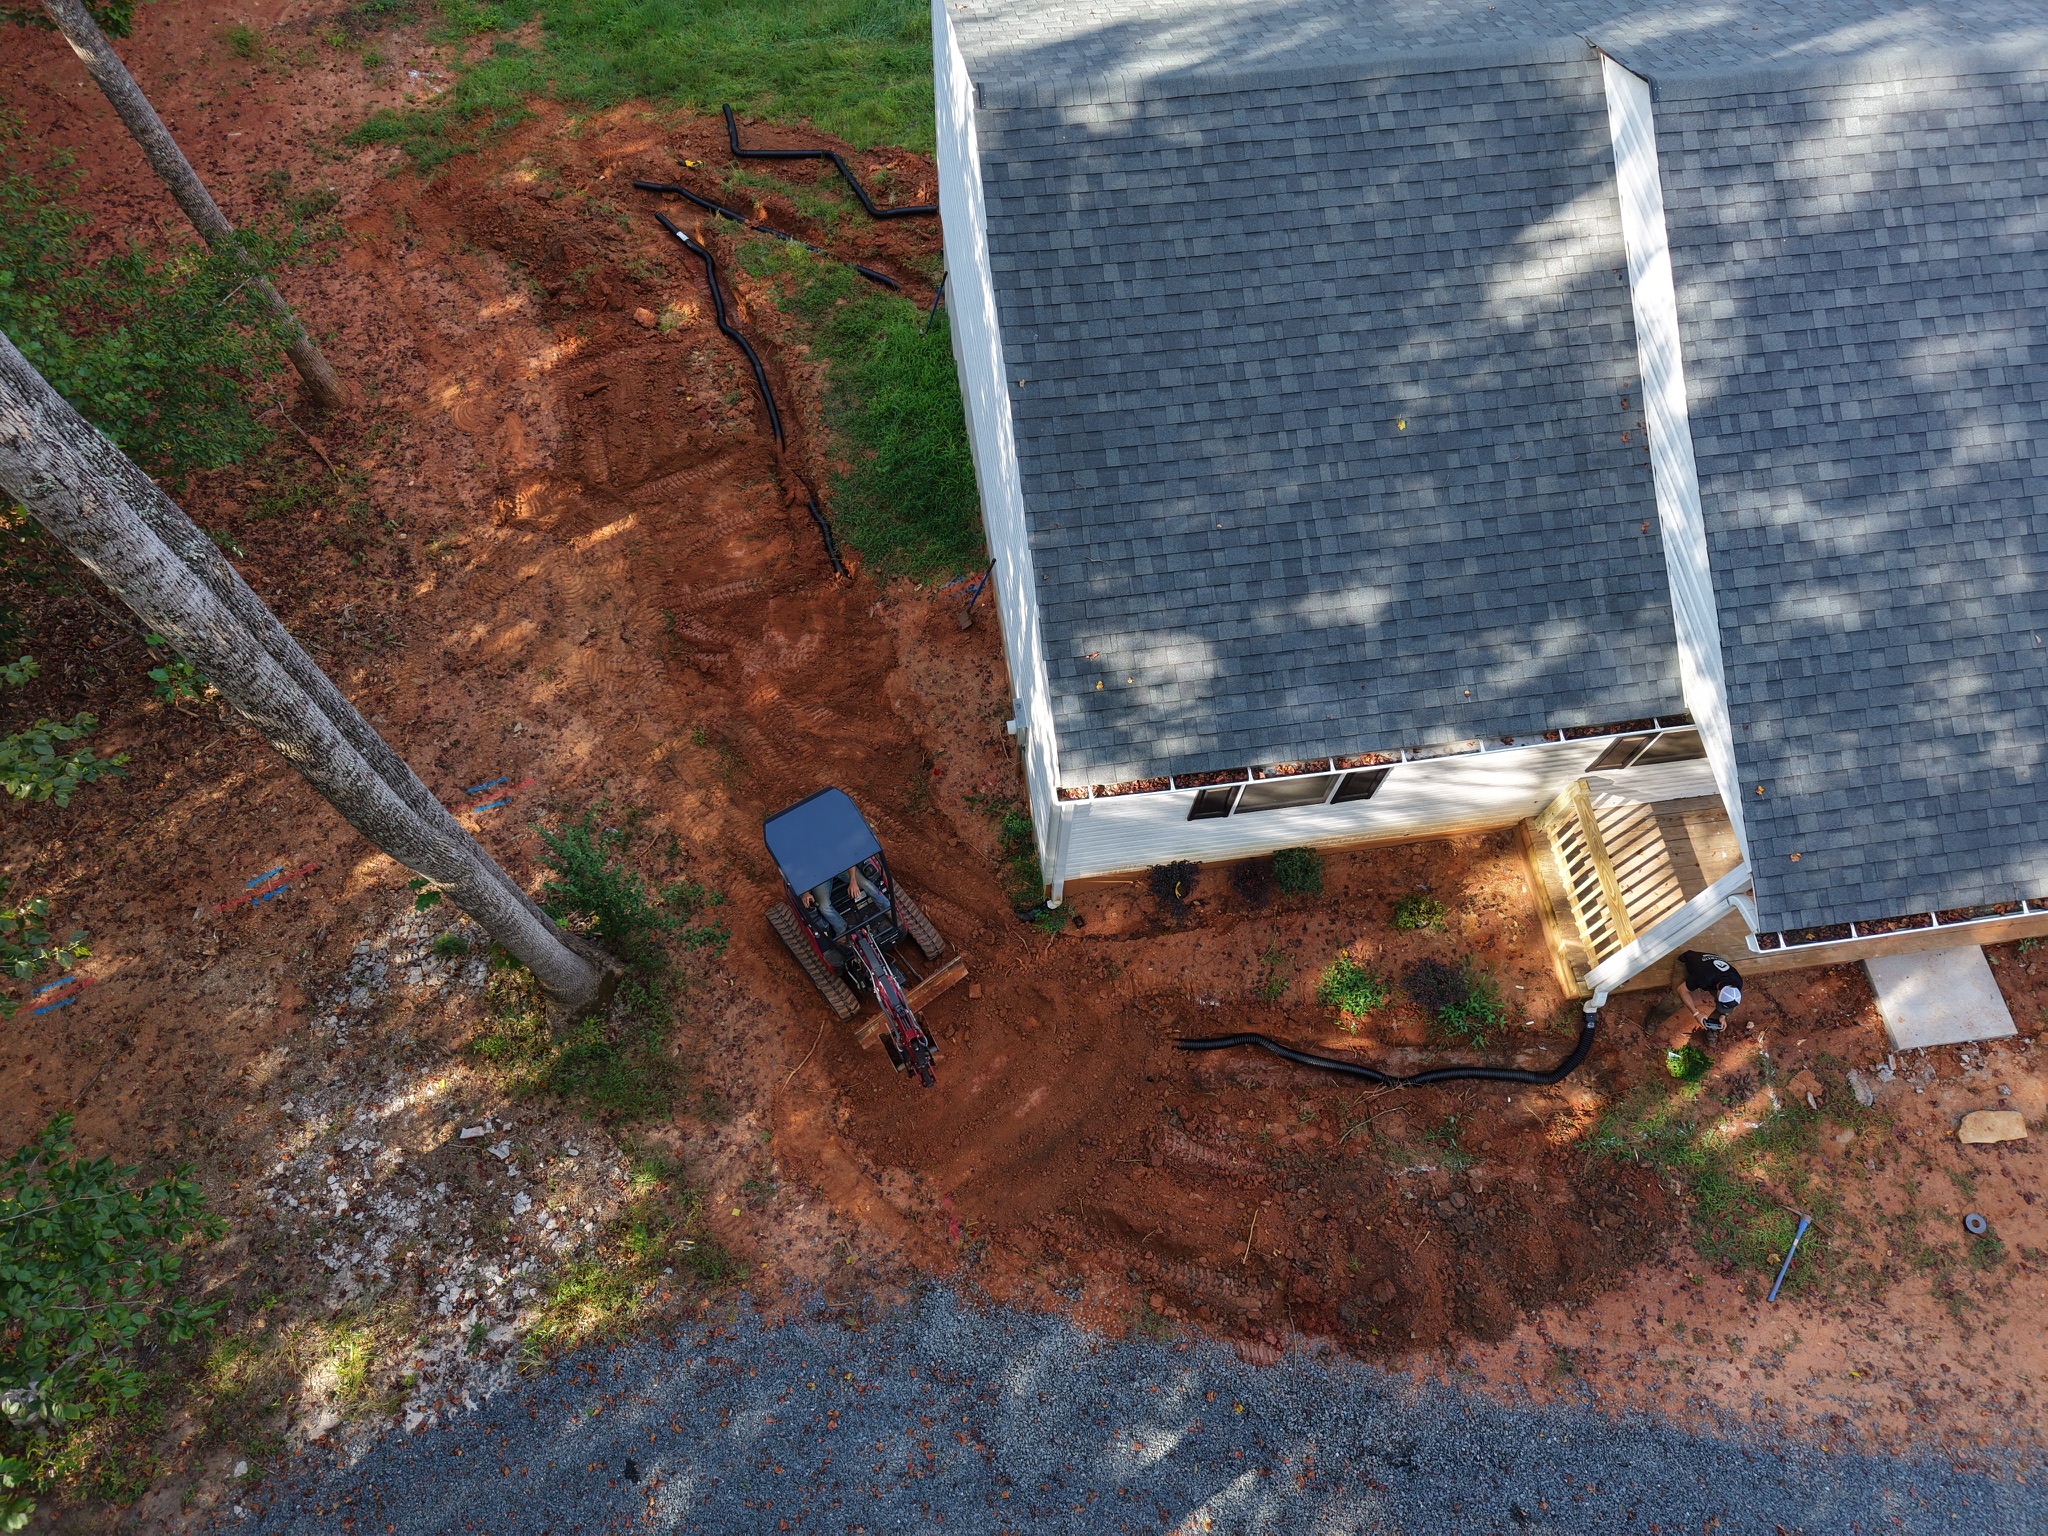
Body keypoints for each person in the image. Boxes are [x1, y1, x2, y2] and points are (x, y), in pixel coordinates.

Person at [1676, 949, 1743, 1031]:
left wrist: (1723, 1016)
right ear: (1718, 992)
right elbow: (1681, 989)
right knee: (1676, 999)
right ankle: (1659, 1016)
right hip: (1686, 963)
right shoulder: (1705, 977)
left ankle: (1711, 1028)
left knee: (1729, 1004)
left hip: (1710, 966)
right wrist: (1696, 1014)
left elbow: (1730, 1002)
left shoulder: (1737, 982)